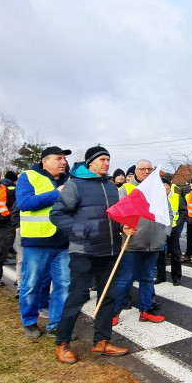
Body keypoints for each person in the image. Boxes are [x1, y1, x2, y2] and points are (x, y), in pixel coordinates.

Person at [49, 146, 130, 363]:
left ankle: (101, 342)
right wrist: (80, 230)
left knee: (108, 297)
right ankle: (62, 343)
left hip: (110, 250)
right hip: (84, 251)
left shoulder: (112, 186)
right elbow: (57, 215)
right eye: (102, 159)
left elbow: (115, 216)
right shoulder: (75, 185)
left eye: (108, 159)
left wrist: (123, 228)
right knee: (78, 296)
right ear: (91, 162)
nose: (107, 163)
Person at [15, 146, 71, 339]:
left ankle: (56, 324)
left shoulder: (69, 179)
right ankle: (29, 321)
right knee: (32, 284)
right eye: (58, 158)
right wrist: (57, 193)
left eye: (64, 158)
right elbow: (25, 203)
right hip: (37, 242)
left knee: (63, 284)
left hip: (63, 242)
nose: (63, 162)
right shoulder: (28, 176)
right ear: (45, 161)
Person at [112, 160, 168, 324]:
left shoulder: (159, 189)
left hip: (154, 242)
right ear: (135, 171)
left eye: (149, 169)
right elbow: (118, 212)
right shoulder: (127, 188)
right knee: (125, 279)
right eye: (142, 169)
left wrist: (166, 233)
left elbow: (168, 212)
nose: (146, 171)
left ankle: (146, 310)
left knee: (147, 279)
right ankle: (115, 312)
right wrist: (122, 227)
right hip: (133, 242)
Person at [156, 174, 186, 286]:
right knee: (160, 255)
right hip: (160, 230)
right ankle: (161, 276)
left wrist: (178, 225)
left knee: (175, 255)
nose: (164, 187)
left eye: (166, 184)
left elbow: (183, 212)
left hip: (173, 229)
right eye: (162, 185)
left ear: (170, 185)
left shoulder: (177, 197)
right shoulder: (156, 199)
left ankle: (176, 277)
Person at [2, 170, 20, 267]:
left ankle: (8, 251)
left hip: (0, 214)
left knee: (2, 236)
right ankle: (5, 254)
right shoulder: (13, 187)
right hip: (9, 214)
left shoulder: (1, 185)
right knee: (9, 235)